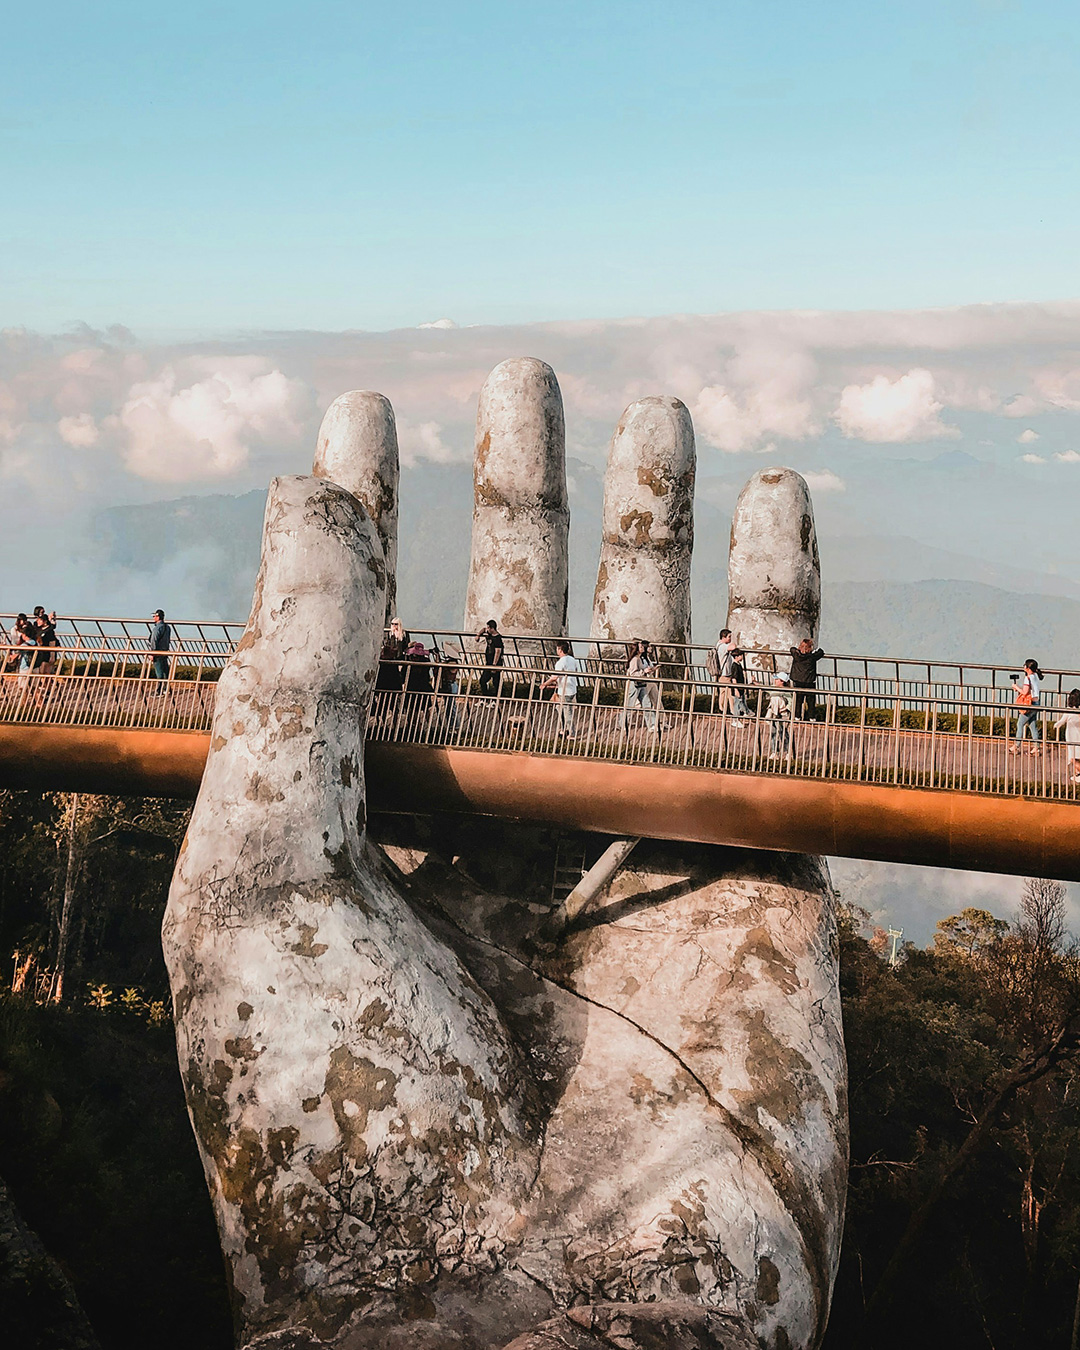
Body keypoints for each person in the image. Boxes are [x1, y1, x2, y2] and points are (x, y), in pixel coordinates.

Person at [543, 640, 582, 738]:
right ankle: (563, 729)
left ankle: (571, 732)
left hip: (565, 690)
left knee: (566, 711)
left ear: (560, 650)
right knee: (561, 708)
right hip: (572, 688)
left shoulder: (560, 662)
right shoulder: (573, 660)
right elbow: (576, 671)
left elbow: (554, 677)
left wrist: (544, 684)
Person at [619, 639, 658, 733]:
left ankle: (652, 725)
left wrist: (650, 670)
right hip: (635, 685)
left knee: (647, 704)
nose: (643, 648)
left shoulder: (640, 658)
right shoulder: (635, 659)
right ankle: (622, 724)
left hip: (642, 683)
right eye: (640, 647)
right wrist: (643, 672)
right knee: (630, 705)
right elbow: (633, 674)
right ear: (636, 649)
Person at [1009, 658, 1043, 756]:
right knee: (1033, 726)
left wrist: (1016, 687)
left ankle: (1016, 746)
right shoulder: (1035, 676)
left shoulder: (1027, 678)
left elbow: (1025, 692)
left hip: (1030, 704)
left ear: (1028, 668)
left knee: (1020, 724)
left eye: (1025, 665)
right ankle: (1036, 748)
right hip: (1036, 703)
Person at [789, 638, 825, 721]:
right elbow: (821, 652)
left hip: (798, 681)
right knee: (811, 701)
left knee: (798, 700)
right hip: (809, 681)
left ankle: (797, 716)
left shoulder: (796, 655)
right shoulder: (812, 657)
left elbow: (792, 649)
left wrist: (799, 649)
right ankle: (812, 717)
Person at [765, 671, 793, 760]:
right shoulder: (773, 688)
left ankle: (788, 752)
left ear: (782, 681)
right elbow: (765, 688)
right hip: (773, 713)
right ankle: (774, 752)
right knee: (773, 733)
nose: (775, 681)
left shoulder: (786, 691)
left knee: (783, 733)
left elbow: (791, 702)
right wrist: (755, 682)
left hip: (782, 714)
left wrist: (784, 709)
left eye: (777, 679)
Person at [1054, 689, 1080, 783]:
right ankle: (1077, 774)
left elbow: (1061, 721)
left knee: (1073, 758)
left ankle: (1079, 773)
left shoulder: (1069, 711)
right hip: (1078, 737)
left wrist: (1055, 726)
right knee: (1078, 757)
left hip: (1072, 737)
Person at [476, 619, 504, 696]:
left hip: (495, 663)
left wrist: (494, 665)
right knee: (483, 680)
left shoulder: (497, 639)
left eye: (489, 628)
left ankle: (496, 699)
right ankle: (485, 697)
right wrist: (478, 635)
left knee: (496, 682)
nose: (487, 629)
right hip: (488, 662)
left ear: (492, 628)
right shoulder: (489, 633)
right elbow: (483, 629)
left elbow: (498, 651)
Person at [33, 606, 59, 675]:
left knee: (48, 664)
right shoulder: (35, 625)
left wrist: (51, 619)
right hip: (42, 648)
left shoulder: (49, 628)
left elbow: (51, 627)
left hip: (49, 647)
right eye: (41, 612)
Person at [149, 609, 171, 689]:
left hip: (157, 652)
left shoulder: (157, 628)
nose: (153, 618)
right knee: (165, 671)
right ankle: (166, 689)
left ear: (158, 617)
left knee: (159, 671)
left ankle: (159, 690)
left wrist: (152, 653)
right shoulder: (167, 627)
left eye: (155, 616)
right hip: (165, 651)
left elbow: (153, 640)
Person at [729, 647, 751, 720]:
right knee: (737, 703)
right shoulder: (734, 666)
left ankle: (746, 712)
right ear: (736, 657)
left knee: (741, 701)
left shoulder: (738, 664)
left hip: (740, 687)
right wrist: (736, 689)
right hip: (737, 687)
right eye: (740, 655)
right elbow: (734, 678)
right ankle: (735, 719)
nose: (742, 657)